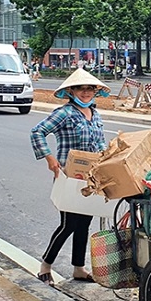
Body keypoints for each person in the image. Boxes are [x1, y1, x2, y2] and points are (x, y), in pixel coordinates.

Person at [30, 69, 111, 286]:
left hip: (90, 178)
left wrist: (108, 158)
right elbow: (37, 132)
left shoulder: (95, 114)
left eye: (90, 88)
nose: (86, 92)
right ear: (71, 91)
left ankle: (78, 269)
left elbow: (100, 143)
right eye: (81, 88)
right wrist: (49, 159)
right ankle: (45, 266)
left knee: (84, 223)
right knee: (68, 224)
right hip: (68, 176)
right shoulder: (64, 113)